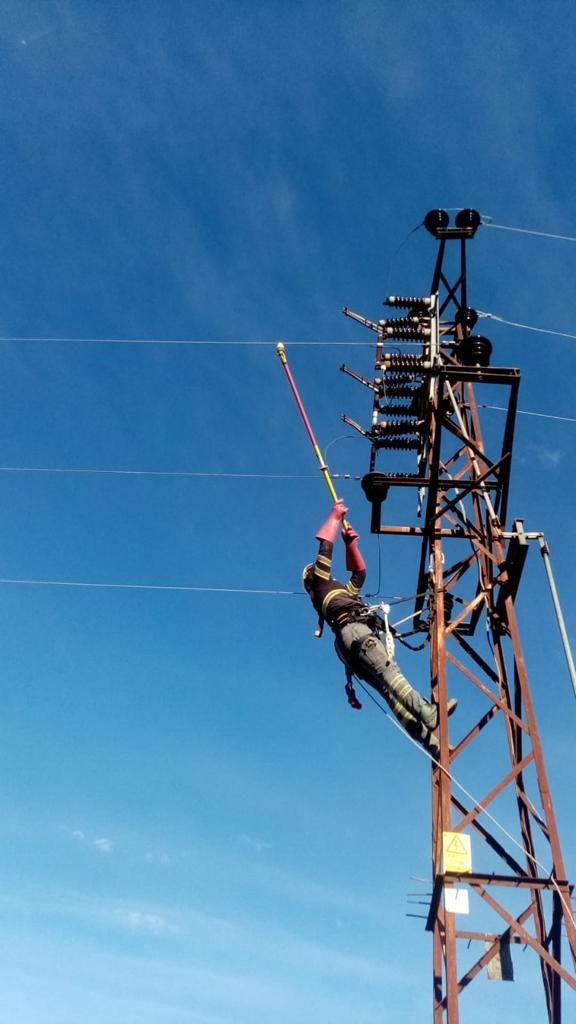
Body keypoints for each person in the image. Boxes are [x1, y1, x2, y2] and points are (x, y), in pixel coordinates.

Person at [303, 499, 456, 757]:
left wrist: (352, 546)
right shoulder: (319, 585)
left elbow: (359, 575)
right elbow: (325, 546)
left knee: (390, 693)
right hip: (354, 632)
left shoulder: (336, 593)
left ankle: (434, 745)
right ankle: (426, 712)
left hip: (349, 643)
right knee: (389, 673)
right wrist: (334, 517)